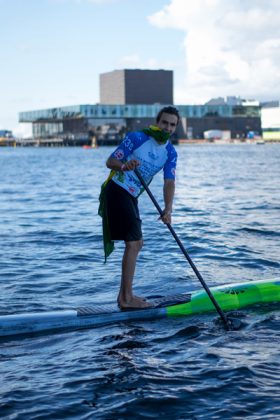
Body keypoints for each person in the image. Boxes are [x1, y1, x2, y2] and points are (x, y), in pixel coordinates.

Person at [99, 106, 180, 310]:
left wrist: (168, 209)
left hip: (132, 195)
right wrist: (124, 166)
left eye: (172, 125)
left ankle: (125, 296)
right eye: (164, 123)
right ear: (157, 121)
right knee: (134, 244)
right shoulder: (136, 138)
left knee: (137, 243)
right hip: (117, 189)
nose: (167, 127)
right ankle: (126, 299)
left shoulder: (170, 152)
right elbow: (111, 161)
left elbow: (169, 182)